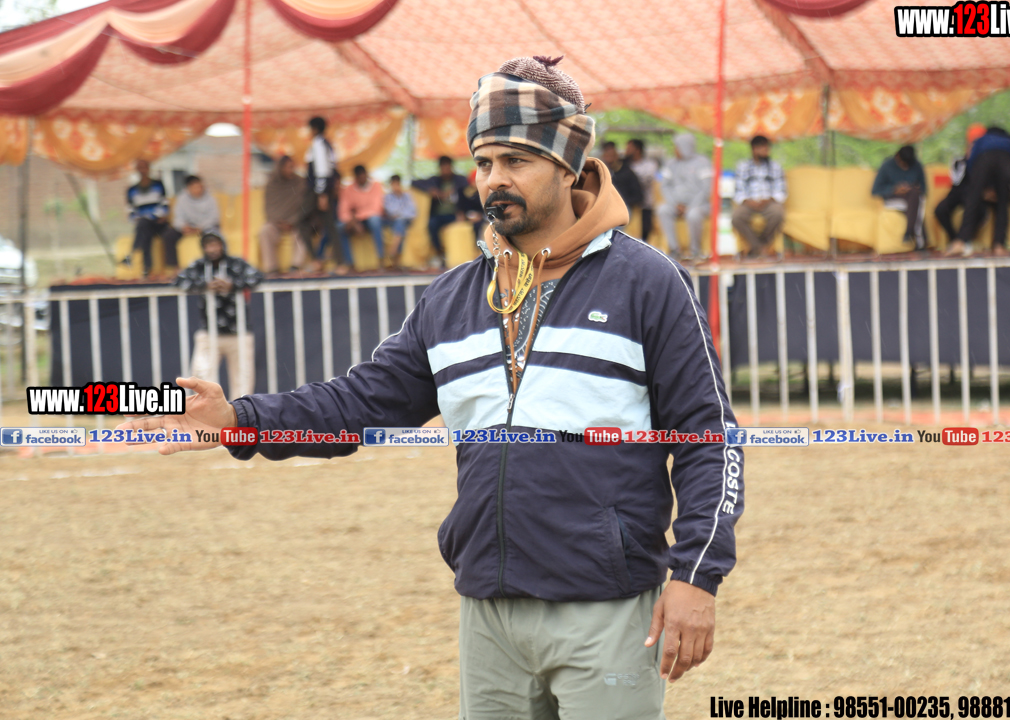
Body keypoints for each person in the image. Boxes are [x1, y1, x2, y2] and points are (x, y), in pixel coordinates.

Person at [121, 54, 744, 720]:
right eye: (483, 162)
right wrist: (239, 419)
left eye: (516, 160)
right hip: (488, 616)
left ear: (567, 163)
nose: (494, 179)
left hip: (609, 611)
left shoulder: (648, 283)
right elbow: (358, 404)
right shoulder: (450, 301)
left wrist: (696, 575)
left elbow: (710, 438)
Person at [172, 232, 263, 398]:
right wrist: (204, 285)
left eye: (215, 244)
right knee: (201, 377)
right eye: (208, 245)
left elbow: (257, 277)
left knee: (243, 381)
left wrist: (233, 285)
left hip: (239, 332)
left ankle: (239, 412)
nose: (212, 249)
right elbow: (178, 281)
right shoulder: (199, 266)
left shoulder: (235, 263)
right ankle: (206, 411)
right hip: (209, 331)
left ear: (222, 245)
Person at [945, 127, 1010, 258]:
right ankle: (999, 246)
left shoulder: (982, 140)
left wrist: (977, 185)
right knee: (1002, 204)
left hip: (983, 160)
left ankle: (960, 242)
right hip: (1005, 161)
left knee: (972, 201)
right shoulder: (1009, 142)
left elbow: (971, 161)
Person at [299, 116, 348, 273]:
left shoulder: (318, 144)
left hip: (318, 191)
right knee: (330, 225)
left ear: (314, 129)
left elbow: (322, 171)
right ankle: (339, 263)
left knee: (301, 222)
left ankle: (316, 260)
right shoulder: (328, 145)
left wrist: (321, 194)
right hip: (324, 190)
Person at [657, 133, 713, 261]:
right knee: (662, 210)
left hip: (699, 204)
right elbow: (665, 186)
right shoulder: (670, 164)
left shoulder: (703, 162)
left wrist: (690, 206)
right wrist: (674, 203)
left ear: (685, 146)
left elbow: (706, 189)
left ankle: (695, 251)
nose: (675, 150)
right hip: (676, 204)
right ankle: (674, 249)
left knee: (693, 214)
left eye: (677, 147)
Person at [731, 135, 787, 258]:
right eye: (763, 148)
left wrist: (769, 199)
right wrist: (748, 201)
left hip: (769, 202)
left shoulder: (775, 167)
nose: (767, 151)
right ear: (754, 149)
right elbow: (738, 190)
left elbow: (781, 190)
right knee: (736, 217)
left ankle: (758, 247)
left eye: (767, 148)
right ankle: (760, 247)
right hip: (748, 203)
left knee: (778, 214)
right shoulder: (743, 167)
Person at [934, 123, 987, 248]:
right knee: (940, 210)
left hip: (976, 194)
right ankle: (955, 239)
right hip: (957, 192)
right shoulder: (959, 161)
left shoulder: (986, 162)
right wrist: (968, 160)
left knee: (979, 211)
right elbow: (956, 180)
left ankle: (965, 240)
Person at [123, 159, 178, 277]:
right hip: (144, 224)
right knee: (144, 228)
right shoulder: (131, 190)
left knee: (144, 226)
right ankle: (148, 270)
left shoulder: (158, 184)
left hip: (158, 223)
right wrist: (142, 219)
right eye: (140, 167)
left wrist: (152, 217)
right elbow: (131, 212)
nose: (142, 170)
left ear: (148, 169)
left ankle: (133, 255)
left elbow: (164, 205)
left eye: (144, 167)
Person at [413, 156, 469, 267]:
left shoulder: (459, 180)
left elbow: (467, 185)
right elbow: (414, 182)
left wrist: (454, 191)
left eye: (448, 167)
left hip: (455, 214)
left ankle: (454, 256)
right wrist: (431, 190)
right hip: (438, 215)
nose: (445, 170)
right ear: (439, 168)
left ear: (451, 167)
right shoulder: (435, 181)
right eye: (443, 168)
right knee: (431, 224)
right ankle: (439, 253)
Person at [871, 145, 927, 250]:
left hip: (912, 198)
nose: (905, 166)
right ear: (897, 156)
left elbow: (924, 189)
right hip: (892, 200)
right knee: (917, 205)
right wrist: (894, 189)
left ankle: (909, 234)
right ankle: (918, 238)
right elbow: (875, 190)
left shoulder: (917, 166)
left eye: (908, 164)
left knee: (915, 196)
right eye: (902, 163)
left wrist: (914, 187)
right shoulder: (886, 166)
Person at [259, 155, 307, 274]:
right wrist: (278, 222)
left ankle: (296, 266)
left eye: (292, 167)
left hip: (296, 223)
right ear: (280, 168)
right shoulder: (271, 185)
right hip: (276, 223)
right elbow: (269, 207)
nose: (291, 170)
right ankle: (271, 268)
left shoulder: (300, 183)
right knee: (265, 231)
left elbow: (304, 207)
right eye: (288, 167)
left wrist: (292, 221)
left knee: (304, 231)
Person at [337, 165, 385, 265]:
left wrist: (356, 218)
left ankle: (381, 257)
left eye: (364, 176)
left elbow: (376, 209)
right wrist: (353, 222)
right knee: (339, 227)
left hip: (368, 219)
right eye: (359, 177)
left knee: (375, 220)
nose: (362, 179)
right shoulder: (349, 189)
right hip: (355, 221)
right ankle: (349, 262)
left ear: (367, 175)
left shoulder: (376, 186)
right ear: (355, 178)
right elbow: (343, 211)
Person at [626, 138, 659, 242]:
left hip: (646, 203)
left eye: (629, 148)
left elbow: (647, 181)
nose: (626, 151)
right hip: (628, 203)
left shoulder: (650, 164)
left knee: (645, 230)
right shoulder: (624, 165)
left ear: (637, 150)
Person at [171, 174, 221, 243]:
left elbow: (214, 218)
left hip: (206, 227)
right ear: (188, 188)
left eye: (200, 187)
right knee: (169, 235)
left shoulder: (211, 198)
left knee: (212, 235)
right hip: (188, 227)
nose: (198, 190)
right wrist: (183, 226)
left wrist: (200, 228)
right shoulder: (182, 199)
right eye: (195, 187)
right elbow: (178, 217)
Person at [601, 140, 643, 217]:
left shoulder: (627, 173)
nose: (608, 160)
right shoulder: (601, 173)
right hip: (605, 207)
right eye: (606, 156)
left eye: (611, 156)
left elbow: (638, 196)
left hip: (624, 207)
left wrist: (622, 201)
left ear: (616, 156)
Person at [382, 174, 416, 266]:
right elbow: (390, 211)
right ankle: (397, 256)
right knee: (400, 227)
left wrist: (399, 214)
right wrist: (401, 213)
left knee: (400, 222)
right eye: (393, 184)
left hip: (405, 220)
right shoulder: (388, 197)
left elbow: (412, 212)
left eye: (397, 184)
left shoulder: (407, 196)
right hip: (392, 221)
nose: (395, 186)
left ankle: (393, 251)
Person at [456, 169, 486, 240]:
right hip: (467, 217)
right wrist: (464, 216)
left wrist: (480, 216)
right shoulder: (463, 191)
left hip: (481, 218)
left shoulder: (484, 193)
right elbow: (460, 207)